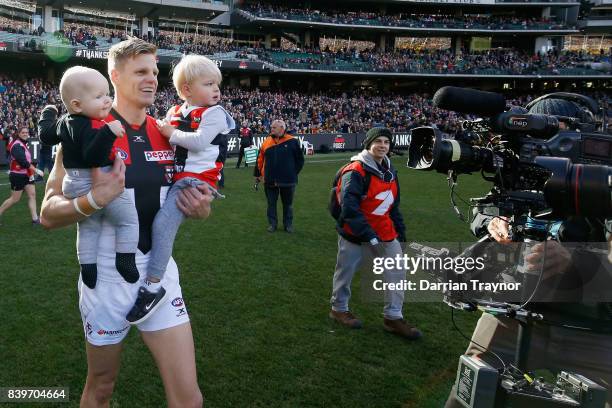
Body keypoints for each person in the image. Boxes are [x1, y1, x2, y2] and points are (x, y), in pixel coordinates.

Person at [39, 38, 210, 408]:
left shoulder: (168, 133)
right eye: (140, 72)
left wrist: (199, 207)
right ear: (114, 76)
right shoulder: (81, 131)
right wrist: (93, 200)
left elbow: (194, 203)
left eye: (154, 72)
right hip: (106, 277)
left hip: (159, 274)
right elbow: (48, 213)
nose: (151, 79)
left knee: (189, 398)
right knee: (101, 387)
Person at [444, 98, 612, 407]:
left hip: (588, 324)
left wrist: (577, 261)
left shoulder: (604, 176)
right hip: (511, 310)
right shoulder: (520, 162)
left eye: (558, 138)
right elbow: (483, 210)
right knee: (468, 394)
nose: (546, 149)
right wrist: (492, 223)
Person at [126, 54, 235, 324]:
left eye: (217, 84)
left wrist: (169, 133)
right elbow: (164, 135)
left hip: (194, 180)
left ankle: (152, 286)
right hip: (178, 176)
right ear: (186, 90)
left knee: (162, 226)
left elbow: (198, 142)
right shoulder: (176, 111)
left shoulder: (216, 114)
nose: (216, 90)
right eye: (209, 84)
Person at [38, 66, 139, 289]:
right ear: (77, 104)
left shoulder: (65, 121)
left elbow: (45, 134)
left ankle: (88, 267)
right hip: (98, 182)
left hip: (72, 184)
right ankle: (126, 260)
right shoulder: (94, 125)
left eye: (107, 94)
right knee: (128, 220)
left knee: (88, 228)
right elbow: (93, 156)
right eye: (99, 96)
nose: (107, 100)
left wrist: (48, 113)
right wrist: (109, 132)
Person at [328, 127, 422, 340]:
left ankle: (393, 316)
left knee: (397, 274)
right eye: (378, 141)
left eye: (386, 142)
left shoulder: (390, 171)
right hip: (356, 234)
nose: (382, 145)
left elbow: (393, 205)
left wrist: (400, 231)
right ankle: (339, 308)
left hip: (386, 232)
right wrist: (369, 236)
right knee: (346, 273)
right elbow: (349, 208)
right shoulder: (355, 170)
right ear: (368, 144)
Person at [254, 119, 304, 233]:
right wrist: (258, 175)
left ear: (282, 128)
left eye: (274, 128)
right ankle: (272, 224)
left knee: (288, 205)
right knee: (271, 204)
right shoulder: (266, 142)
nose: (271, 129)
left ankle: (288, 225)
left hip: (288, 180)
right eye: (271, 127)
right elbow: (260, 160)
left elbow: (300, 160)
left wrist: (292, 172)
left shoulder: (292, 141)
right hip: (270, 179)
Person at [0, 127, 43, 225]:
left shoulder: (22, 144)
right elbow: (23, 162)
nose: (25, 134)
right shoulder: (16, 145)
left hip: (27, 174)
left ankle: (35, 219)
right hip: (18, 175)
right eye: (23, 132)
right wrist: (36, 170)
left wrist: (32, 172)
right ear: (18, 134)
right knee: (15, 199)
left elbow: (26, 161)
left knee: (32, 195)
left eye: (27, 132)